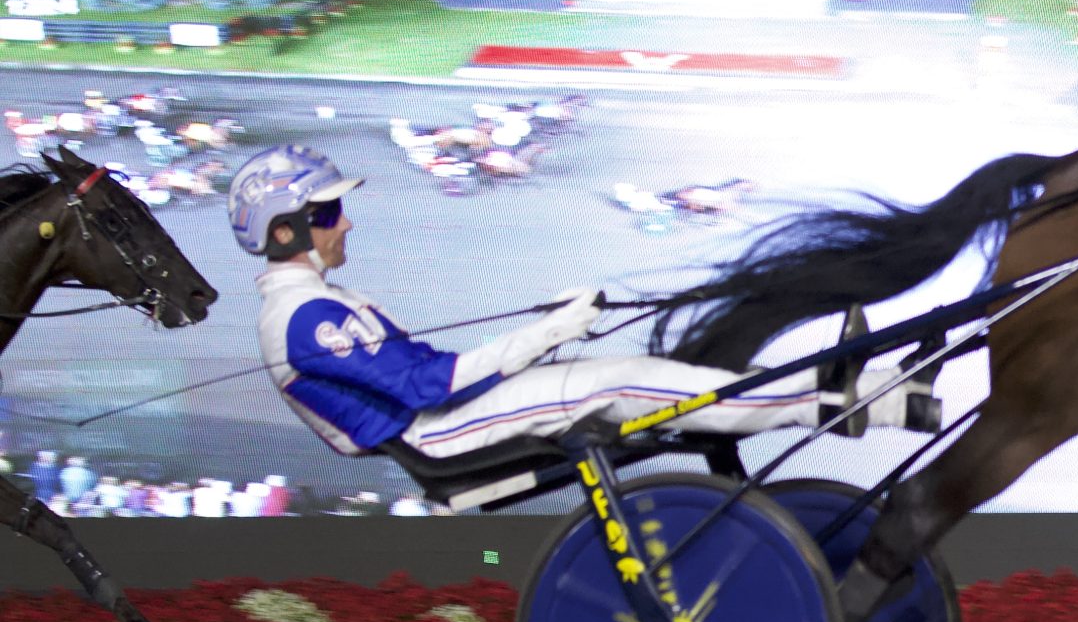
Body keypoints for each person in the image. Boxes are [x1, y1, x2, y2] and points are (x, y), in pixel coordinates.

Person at [225, 145, 911, 463]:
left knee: (636, 374)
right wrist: (552, 332)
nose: (344, 223)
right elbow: (429, 384)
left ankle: (864, 392)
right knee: (627, 381)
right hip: (435, 434)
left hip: (447, 416)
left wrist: (545, 331)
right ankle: (868, 400)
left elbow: (429, 369)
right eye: (329, 211)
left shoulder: (317, 302)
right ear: (285, 229)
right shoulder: (300, 318)